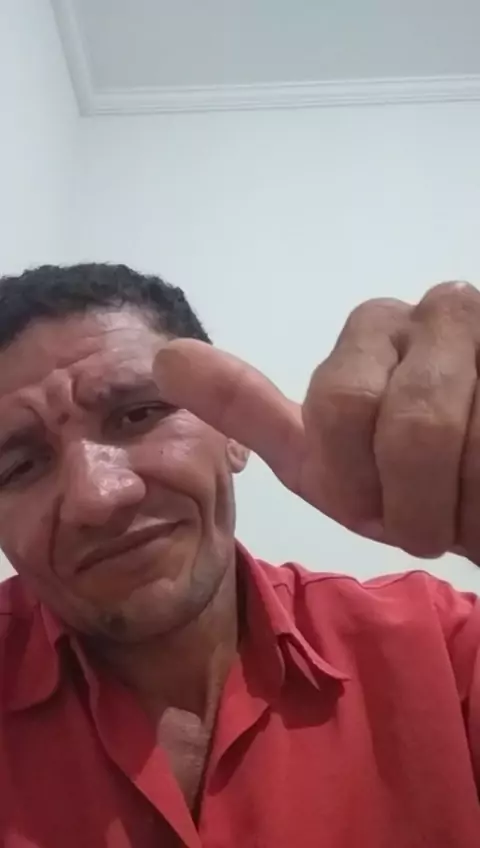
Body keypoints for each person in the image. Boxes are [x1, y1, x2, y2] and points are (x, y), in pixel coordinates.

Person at [0, 263, 479, 848]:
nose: (98, 497)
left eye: (138, 414)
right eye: (19, 466)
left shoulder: (443, 652)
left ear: (232, 434)